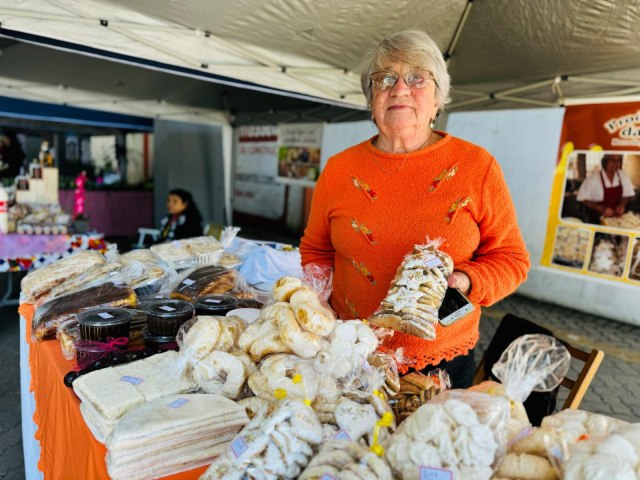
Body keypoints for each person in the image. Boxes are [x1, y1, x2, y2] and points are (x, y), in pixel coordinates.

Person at [299, 30, 530, 389]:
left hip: (440, 363)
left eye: (417, 77)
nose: (400, 89)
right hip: (350, 352)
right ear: (371, 99)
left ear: (438, 98)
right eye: (385, 79)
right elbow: (316, 250)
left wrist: (465, 281)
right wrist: (317, 302)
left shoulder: (477, 166)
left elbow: (512, 259)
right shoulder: (339, 170)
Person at [577, 154, 635, 223]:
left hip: (618, 218)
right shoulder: (593, 178)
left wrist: (622, 205)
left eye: (618, 161)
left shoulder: (623, 176)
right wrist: (600, 208)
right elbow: (581, 198)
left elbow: (627, 194)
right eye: (612, 160)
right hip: (597, 218)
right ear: (604, 161)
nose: (615, 164)